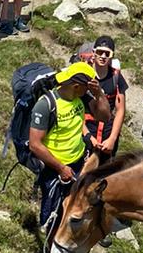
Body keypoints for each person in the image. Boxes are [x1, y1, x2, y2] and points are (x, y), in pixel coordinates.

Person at [28, 58, 110, 235]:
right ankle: (48, 241)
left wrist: (100, 94)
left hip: (77, 164)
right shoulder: (46, 105)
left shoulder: (82, 97)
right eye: (87, 87)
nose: (88, 91)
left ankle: (65, 237)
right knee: (51, 209)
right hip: (54, 168)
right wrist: (61, 168)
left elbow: (104, 116)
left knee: (72, 205)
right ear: (76, 86)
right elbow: (35, 145)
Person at [86, 35, 126, 161]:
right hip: (86, 130)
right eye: (100, 52)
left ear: (111, 56)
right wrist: (87, 136)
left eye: (107, 53)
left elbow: (120, 110)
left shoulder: (116, 77)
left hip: (107, 133)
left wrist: (112, 139)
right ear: (94, 53)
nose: (103, 56)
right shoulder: (84, 74)